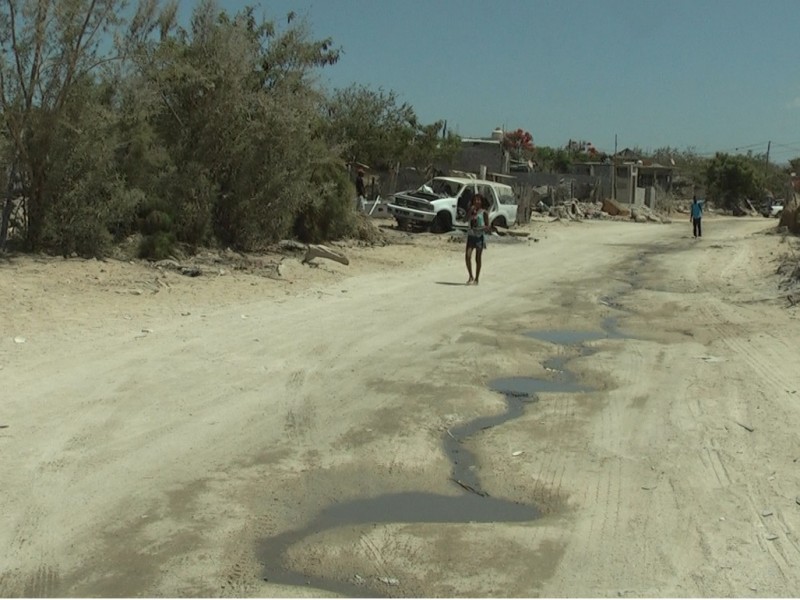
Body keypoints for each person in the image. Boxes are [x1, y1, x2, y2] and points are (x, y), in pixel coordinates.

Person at [465, 194, 490, 285]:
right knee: (468, 256)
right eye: (475, 200)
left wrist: (481, 228)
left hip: (479, 237)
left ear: (481, 201)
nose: (477, 202)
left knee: (477, 258)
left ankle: (477, 278)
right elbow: (465, 220)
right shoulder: (471, 211)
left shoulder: (484, 212)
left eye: (479, 200)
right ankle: (470, 276)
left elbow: (488, 226)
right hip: (471, 236)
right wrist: (470, 212)